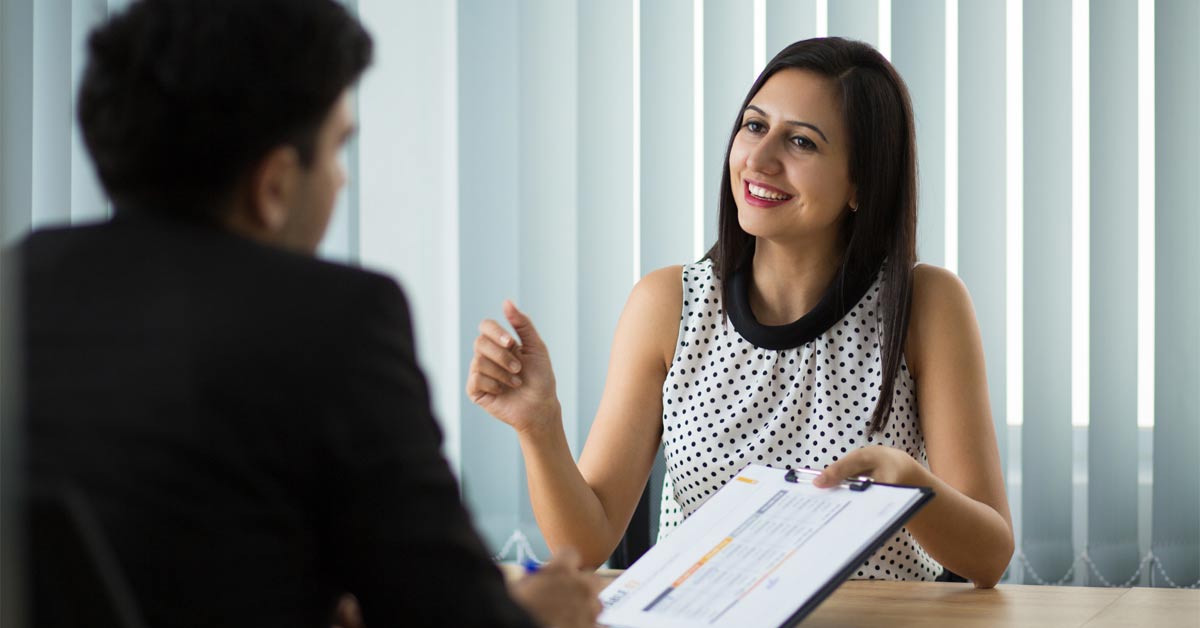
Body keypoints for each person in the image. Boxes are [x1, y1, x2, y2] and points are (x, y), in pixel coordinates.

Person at [18, 1, 600, 626]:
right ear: (273, 187)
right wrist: (537, 614)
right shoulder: (335, 321)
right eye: (335, 151)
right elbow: (451, 612)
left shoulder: (19, 281)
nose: (341, 182)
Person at [468, 37, 1014, 587]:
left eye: (801, 141)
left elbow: (989, 558)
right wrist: (539, 425)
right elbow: (584, 545)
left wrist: (911, 486)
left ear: (860, 183)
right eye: (754, 126)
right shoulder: (667, 304)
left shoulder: (926, 304)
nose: (758, 158)